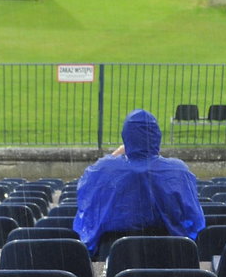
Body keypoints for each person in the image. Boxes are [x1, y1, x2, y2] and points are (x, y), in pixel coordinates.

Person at [73, 109, 205, 258]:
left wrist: (114, 156)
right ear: (156, 136)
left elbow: (87, 213)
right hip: (169, 257)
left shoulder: (102, 169)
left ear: (126, 136)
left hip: (114, 256)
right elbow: (193, 221)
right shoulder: (178, 170)